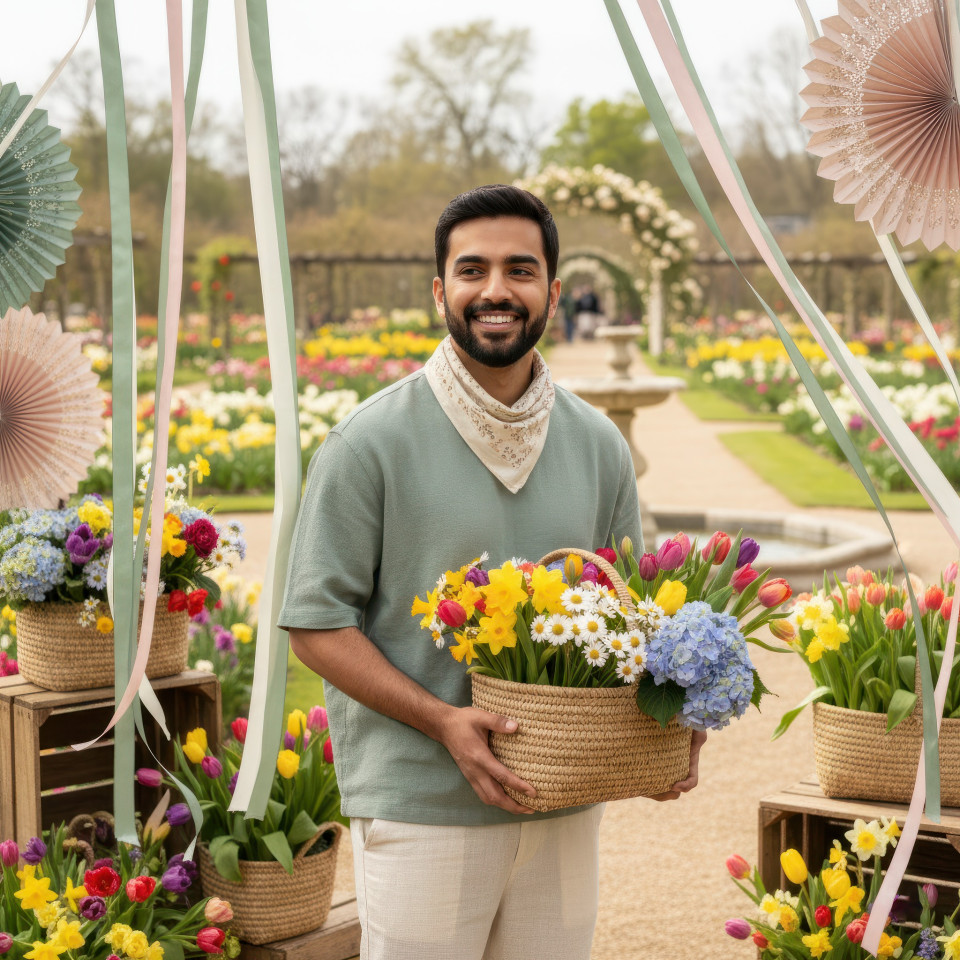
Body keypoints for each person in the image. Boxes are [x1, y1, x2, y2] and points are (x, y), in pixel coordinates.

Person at [278, 184, 705, 960]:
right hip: (422, 805)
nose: (496, 290)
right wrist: (443, 722)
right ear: (441, 291)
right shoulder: (367, 444)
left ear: (552, 288)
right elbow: (315, 625)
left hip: (563, 804)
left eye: (520, 269)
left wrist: (671, 721)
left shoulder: (599, 444)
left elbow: (631, 619)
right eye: (472, 271)